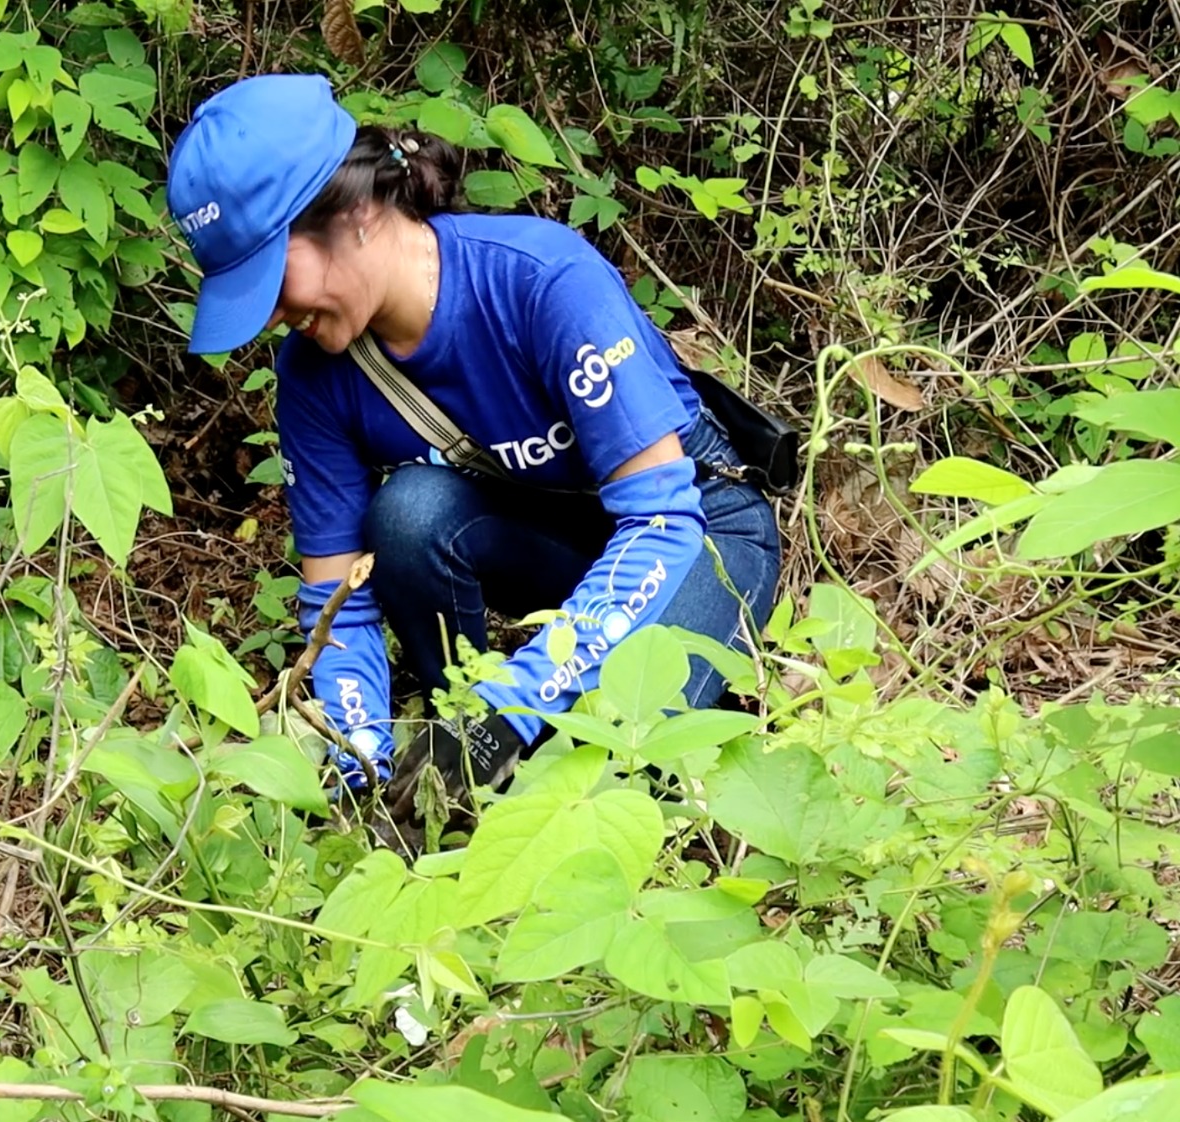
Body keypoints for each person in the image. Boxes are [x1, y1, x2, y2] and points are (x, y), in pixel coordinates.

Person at [165, 73, 782, 823]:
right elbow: (337, 603)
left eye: (271, 276)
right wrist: (358, 754)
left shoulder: (541, 281)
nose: (268, 315)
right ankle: (457, 743)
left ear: (355, 212)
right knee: (408, 515)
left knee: (613, 768)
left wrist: (515, 705)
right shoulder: (313, 374)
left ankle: (498, 731)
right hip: (558, 542)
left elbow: (661, 523)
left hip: (695, 530)